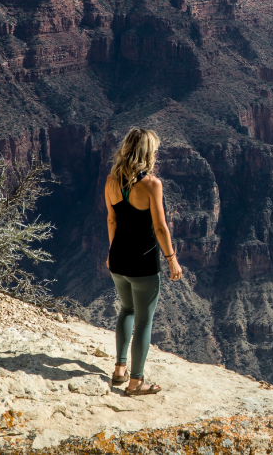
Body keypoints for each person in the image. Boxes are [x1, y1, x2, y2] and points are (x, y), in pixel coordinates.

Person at [105, 127, 182, 396]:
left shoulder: (111, 180)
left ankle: (118, 370)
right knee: (144, 322)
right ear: (147, 153)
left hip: (118, 260)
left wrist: (110, 251)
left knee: (126, 310)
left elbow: (111, 219)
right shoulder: (151, 184)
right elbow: (160, 228)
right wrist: (172, 259)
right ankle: (136, 383)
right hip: (143, 263)